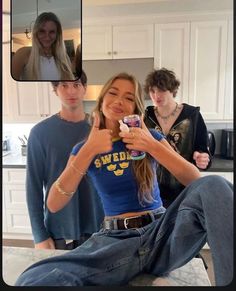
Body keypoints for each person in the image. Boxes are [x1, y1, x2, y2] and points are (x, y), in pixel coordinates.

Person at [15, 72, 233, 286]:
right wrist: (87, 151)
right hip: (115, 241)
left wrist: (151, 145)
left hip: (162, 233)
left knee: (216, 185)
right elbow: (53, 204)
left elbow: (197, 182)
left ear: (135, 108)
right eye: (113, 93)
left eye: (129, 98)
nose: (119, 101)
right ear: (101, 102)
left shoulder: (151, 138)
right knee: (33, 278)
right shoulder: (84, 148)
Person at [25, 70, 104, 250]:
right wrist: (39, 236)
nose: (71, 91)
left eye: (76, 85)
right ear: (55, 90)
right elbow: (33, 188)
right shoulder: (40, 133)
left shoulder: (100, 129)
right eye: (64, 86)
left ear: (84, 88)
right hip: (59, 230)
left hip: (99, 228)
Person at [144, 68, 211, 208]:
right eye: (152, 91)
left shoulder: (192, 115)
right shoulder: (145, 117)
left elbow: (203, 149)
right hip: (152, 193)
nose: (156, 95)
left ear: (172, 89)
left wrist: (202, 157)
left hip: (184, 191)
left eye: (161, 90)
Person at [12, 12, 75, 81]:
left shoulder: (64, 57)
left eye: (52, 32)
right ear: (36, 32)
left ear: (57, 34)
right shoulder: (23, 53)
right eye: (42, 31)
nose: (47, 37)